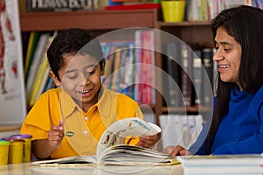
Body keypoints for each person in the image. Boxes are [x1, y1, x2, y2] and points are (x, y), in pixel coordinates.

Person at [165, 5, 263, 159]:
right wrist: (184, 154)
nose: (216, 56)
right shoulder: (222, 100)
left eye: (226, 49)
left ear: (253, 51)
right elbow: (201, 152)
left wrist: (219, 154)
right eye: (216, 47)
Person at [20, 28, 160, 160]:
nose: (84, 82)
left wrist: (143, 145)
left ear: (102, 67)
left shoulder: (126, 106)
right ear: (56, 78)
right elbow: (36, 151)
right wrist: (51, 143)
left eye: (90, 72)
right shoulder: (48, 102)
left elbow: (134, 154)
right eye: (73, 76)